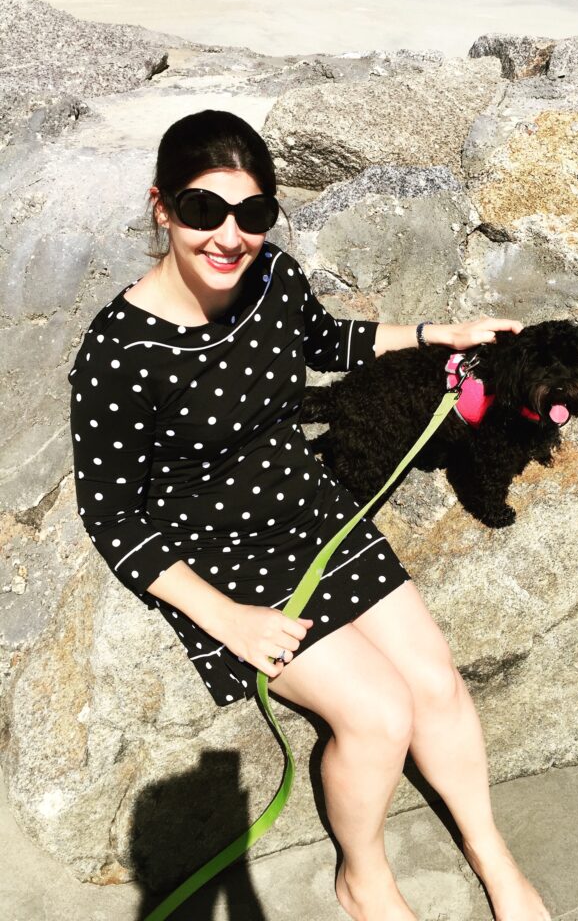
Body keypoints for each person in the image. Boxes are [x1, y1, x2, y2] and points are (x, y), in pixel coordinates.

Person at [67, 109, 551, 921]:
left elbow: (326, 341)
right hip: (218, 553)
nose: (230, 236)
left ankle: (490, 854)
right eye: (202, 211)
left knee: (435, 685)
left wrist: (441, 333)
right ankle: (362, 879)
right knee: (377, 714)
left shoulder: (271, 277)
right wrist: (230, 621)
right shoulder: (120, 351)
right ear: (161, 207)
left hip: (310, 509)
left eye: (253, 214)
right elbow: (112, 515)